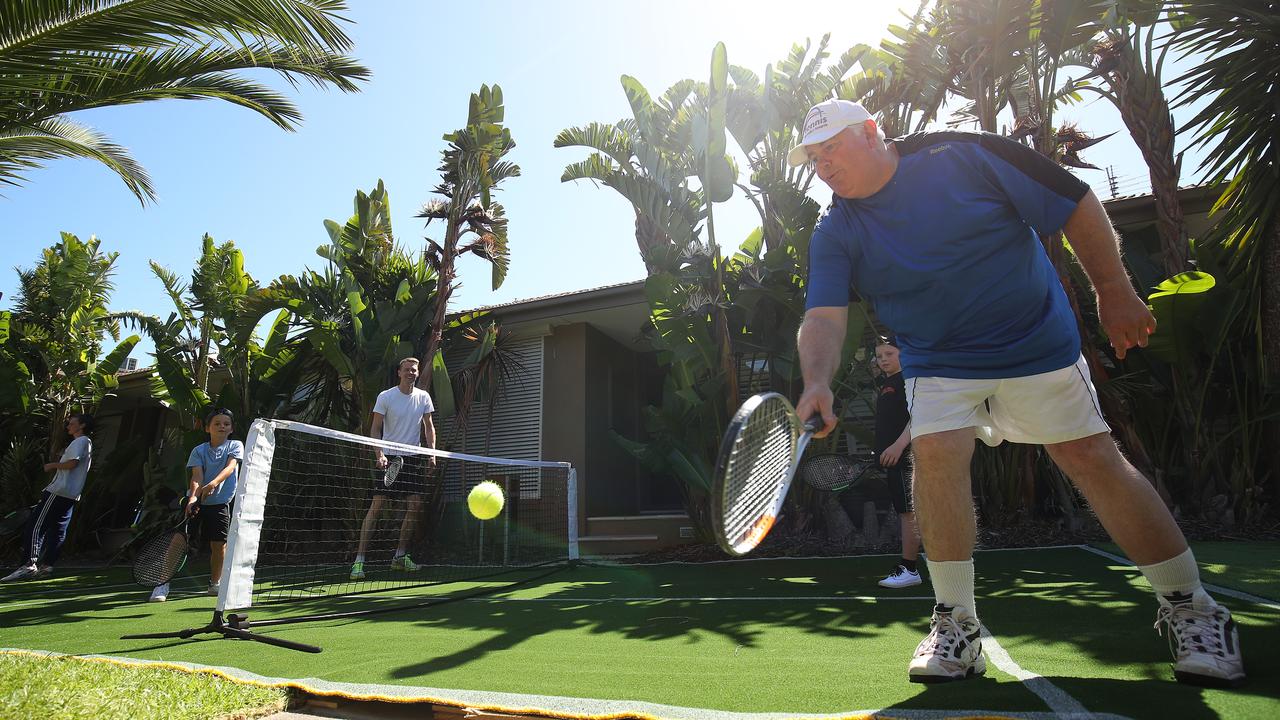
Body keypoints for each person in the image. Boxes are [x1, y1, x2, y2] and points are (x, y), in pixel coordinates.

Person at [790, 98, 1244, 687]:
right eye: (814, 158)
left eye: (833, 148)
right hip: (937, 359)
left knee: (1090, 458)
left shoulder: (965, 154)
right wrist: (817, 381)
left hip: (1033, 344)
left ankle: (1192, 607)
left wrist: (1112, 288)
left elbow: (1074, 200)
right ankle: (956, 623)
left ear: (873, 133)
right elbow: (823, 316)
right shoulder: (837, 226)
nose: (824, 165)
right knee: (935, 456)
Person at [350, 356, 436, 580]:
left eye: (414, 370)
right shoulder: (386, 397)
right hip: (390, 458)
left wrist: (432, 453)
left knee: (415, 506)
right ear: (399, 372)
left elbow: (429, 427)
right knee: (377, 506)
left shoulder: (423, 397)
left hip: (414, 458)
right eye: (406, 369)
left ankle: (399, 556)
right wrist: (379, 454)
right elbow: (375, 429)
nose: (411, 373)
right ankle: (359, 561)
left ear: (417, 373)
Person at [152, 407, 244, 601]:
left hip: (220, 504)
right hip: (197, 503)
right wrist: (193, 497)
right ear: (207, 428)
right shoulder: (199, 450)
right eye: (217, 423)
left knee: (219, 545)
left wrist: (213, 484)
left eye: (226, 424)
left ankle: (215, 583)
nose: (222, 426)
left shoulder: (235, 445)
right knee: (180, 540)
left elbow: (230, 467)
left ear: (231, 429)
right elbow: (196, 476)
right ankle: (162, 585)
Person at [2, 414, 94, 582]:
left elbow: (72, 463)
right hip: (71, 495)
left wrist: (52, 465)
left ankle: (29, 565)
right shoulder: (86, 443)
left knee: (36, 526)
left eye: (71, 423)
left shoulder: (80, 441)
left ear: (82, 426)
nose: (68, 426)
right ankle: (47, 566)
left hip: (58, 491)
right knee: (58, 530)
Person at [871, 336, 922, 590]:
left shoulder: (908, 380)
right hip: (892, 459)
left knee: (908, 513)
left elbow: (920, 414)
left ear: (902, 354)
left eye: (889, 354)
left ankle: (910, 569)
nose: (884, 360)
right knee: (908, 512)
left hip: (904, 458)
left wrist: (899, 445)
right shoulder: (888, 383)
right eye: (879, 356)